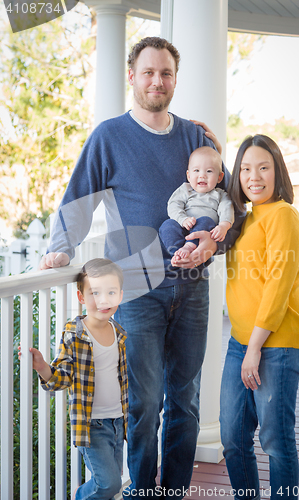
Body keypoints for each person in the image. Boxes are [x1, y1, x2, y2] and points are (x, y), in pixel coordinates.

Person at [38, 36, 245, 498]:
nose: (157, 80)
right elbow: (77, 200)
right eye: (148, 72)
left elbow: (231, 207)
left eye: (166, 73)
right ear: (131, 76)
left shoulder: (196, 137)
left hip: (192, 289)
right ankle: (141, 491)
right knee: (144, 403)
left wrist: (212, 247)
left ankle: (172, 491)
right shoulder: (109, 136)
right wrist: (60, 250)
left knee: (186, 403)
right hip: (135, 291)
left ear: (175, 79)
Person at [219, 135, 299, 500]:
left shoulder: (283, 214)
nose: (253, 176)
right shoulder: (244, 217)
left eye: (263, 167)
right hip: (240, 342)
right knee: (232, 438)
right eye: (245, 169)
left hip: (277, 346)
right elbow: (212, 175)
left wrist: (254, 348)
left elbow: (277, 284)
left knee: (275, 440)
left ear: (278, 171)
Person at [21, 258, 128, 500]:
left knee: (112, 482)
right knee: (108, 485)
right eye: (95, 293)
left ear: (120, 296)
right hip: (92, 427)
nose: (103, 300)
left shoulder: (119, 333)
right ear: (81, 297)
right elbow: (62, 377)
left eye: (111, 292)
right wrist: (42, 367)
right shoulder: (75, 334)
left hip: (117, 422)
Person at [159, 146, 234, 266]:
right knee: (167, 225)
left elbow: (227, 210)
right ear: (189, 176)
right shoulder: (185, 189)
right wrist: (182, 219)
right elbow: (174, 205)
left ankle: (189, 246)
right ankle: (177, 252)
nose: (202, 176)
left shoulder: (220, 195)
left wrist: (223, 226)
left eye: (209, 171)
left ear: (219, 177)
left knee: (206, 220)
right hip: (183, 225)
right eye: (196, 171)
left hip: (203, 230)